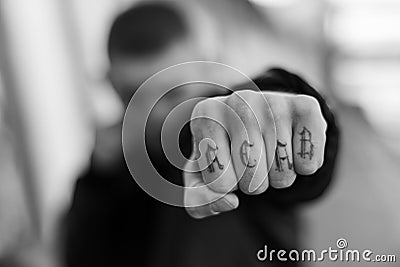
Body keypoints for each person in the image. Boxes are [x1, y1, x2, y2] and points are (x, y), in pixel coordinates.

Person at [65, 2, 339, 266]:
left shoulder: (227, 133)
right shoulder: (113, 166)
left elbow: (307, 169)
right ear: (110, 83)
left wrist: (281, 109)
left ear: (211, 68)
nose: (154, 115)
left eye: (173, 95)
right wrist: (98, 181)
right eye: (133, 96)